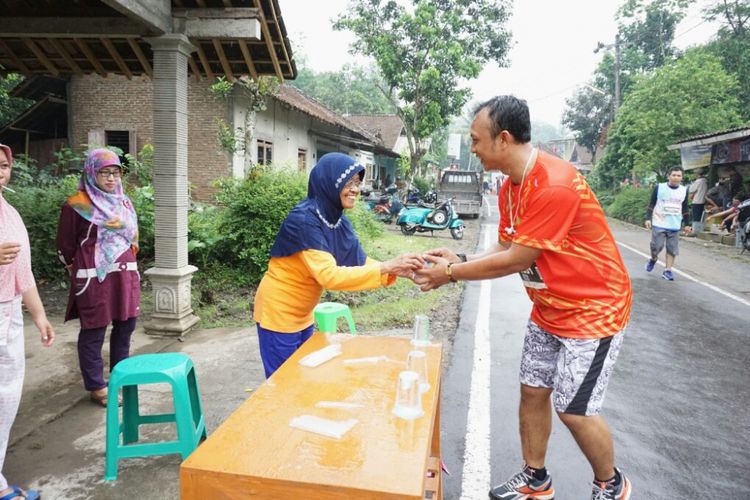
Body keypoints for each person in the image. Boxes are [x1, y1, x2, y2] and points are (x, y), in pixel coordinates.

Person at [414, 96, 633, 500]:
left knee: (574, 408)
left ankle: (611, 484)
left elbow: (518, 259)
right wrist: (460, 257)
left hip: (593, 309)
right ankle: (536, 479)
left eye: (477, 140)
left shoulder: (554, 184)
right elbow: (505, 245)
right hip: (550, 307)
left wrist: (449, 274)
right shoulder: (509, 189)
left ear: (504, 139)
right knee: (533, 389)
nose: (473, 148)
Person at [253, 152, 423, 378]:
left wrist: (394, 269)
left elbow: (360, 262)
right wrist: (386, 267)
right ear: (329, 182)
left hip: (303, 314)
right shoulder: (304, 220)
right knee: (282, 382)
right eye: (348, 182)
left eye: (357, 183)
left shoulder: (338, 222)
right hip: (278, 313)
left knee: (303, 377)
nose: (355, 189)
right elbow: (329, 277)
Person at [56, 148, 140, 407]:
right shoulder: (76, 204)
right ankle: (96, 385)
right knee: (94, 328)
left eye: (115, 173)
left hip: (124, 275)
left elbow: (134, 237)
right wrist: (79, 268)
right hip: (94, 277)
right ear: (91, 173)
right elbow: (65, 246)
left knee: (125, 326)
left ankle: (120, 377)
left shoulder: (124, 201)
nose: (111, 178)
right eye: (104, 173)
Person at [0, 143, 55, 500]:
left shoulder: (11, 214)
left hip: (10, 315)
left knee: (6, 398)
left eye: (3, 165)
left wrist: (40, 316)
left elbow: (24, 272)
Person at [644, 166, 690, 281]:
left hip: (674, 225)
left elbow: (685, 209)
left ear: (682, 178)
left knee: (672, 249)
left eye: (679, 175)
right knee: (657, 247)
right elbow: (651, 204)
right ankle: (653, 259)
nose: (676, 177)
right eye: (674, 175)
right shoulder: (659, 187)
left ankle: (667, 270)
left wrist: (688, 224)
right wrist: (648, 218)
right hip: (659, 222)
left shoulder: (684, 190)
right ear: (669, 176)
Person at [687, 168, 708, 234]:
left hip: (697, 201)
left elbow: (691, 190)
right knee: (700, 216)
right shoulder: (705, 180)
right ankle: (698, 230)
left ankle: (695, 231)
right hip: (702, 201)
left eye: (694, 174)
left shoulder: (698, 181)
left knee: (696, 217)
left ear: (697, 174)